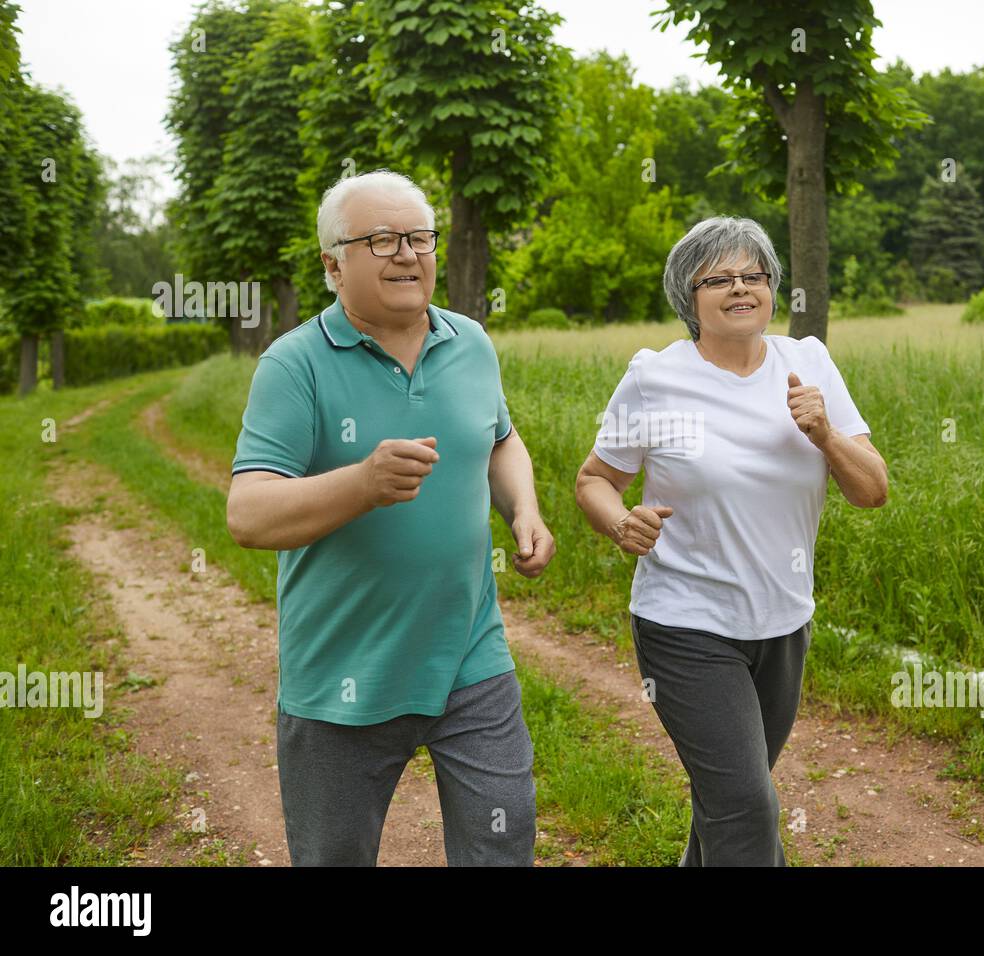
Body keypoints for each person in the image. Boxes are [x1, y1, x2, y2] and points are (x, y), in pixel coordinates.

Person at [226, 169, 556, 866]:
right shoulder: (294, 366)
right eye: (381, 239)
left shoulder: (469, 342)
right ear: (332, 264)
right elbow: (248, 514)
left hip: (470, 656)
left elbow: (500, 439)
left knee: (503, 842)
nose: (408, 252)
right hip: (344, 676)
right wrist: (361, 483)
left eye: (420, 236)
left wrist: (523, 509)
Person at [574, 216, 888, 866]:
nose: (740, 287)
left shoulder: (809, 364)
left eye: (754, 275)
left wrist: (825, 435)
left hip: (782, 623)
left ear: (773, 287)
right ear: (688, 297)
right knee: (747, 804)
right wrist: (619, 522)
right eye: (718, 278)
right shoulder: (654, 377)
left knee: (726, 803)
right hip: (684, 623)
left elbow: (873, 490)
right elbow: (594, 479)